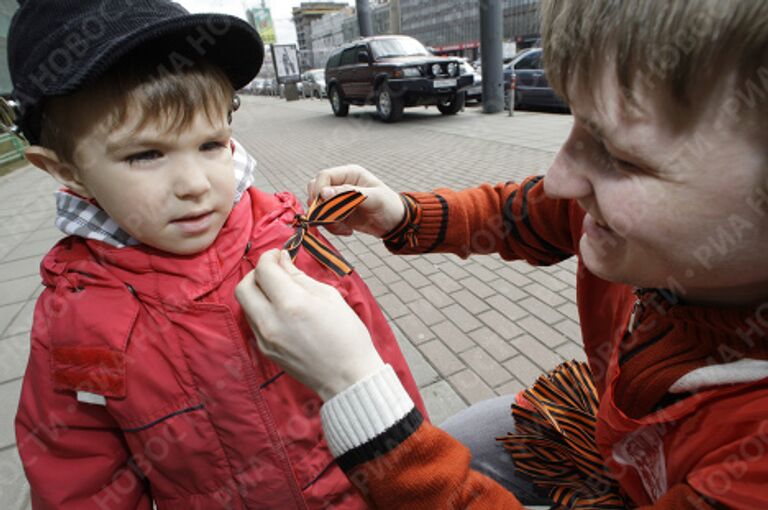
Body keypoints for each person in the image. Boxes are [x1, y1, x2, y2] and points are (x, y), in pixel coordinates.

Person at [235, 0, 768, 508]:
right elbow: (526, 212)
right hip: (607, 438)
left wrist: (359, 395)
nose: (560, 179)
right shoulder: (628, 233)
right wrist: (402, 213)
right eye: (574, 120)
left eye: (623, 157)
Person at [11, 1, 424, 508]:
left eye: (211, 144)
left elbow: (384, 372)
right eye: (145, 155)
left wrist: (416, 482)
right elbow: (78, 478)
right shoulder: (75, 320)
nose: (195, 185)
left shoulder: (291, 242)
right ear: (67, 171)